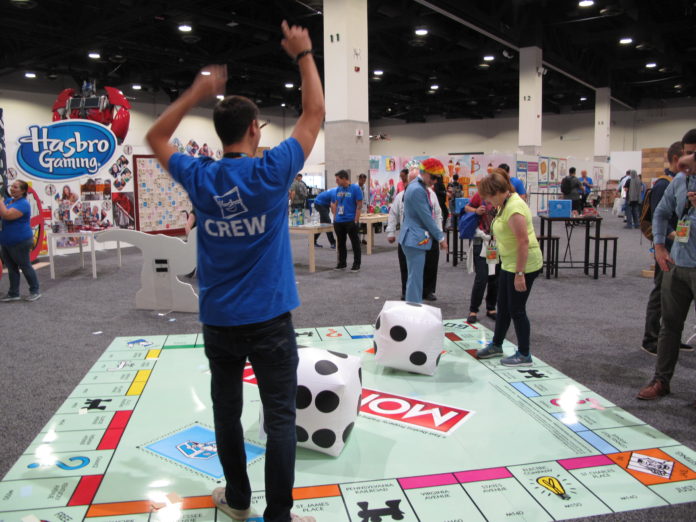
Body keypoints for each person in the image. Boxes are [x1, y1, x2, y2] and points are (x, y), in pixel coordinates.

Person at [145, 20, 323, 522]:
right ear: (253, 130)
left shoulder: (199, 175)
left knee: (226, 412)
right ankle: (278, 516)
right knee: (281, 418)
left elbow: (155, 134)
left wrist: (198, 92)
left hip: (219, 320)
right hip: (269, 319)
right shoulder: (273, 171)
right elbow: (315, 113)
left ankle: (239, 499)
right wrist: (304, 53)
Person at [637, 129, 696, 404]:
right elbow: (660, 213)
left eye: (693, 152)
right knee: (669, 326)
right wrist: (659, 246)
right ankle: (661, 380)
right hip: (677, 265)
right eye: (686, 151)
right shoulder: (680, 181)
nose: (687, 158)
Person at [475, 170, 543, 366]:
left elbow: (523, 242)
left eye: (488, 196)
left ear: (497, 192)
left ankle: (524, 353)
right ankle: (497, 344)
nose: (487, 201)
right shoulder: (504, 203)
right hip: (509, 262)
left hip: (524, 264)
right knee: (503, 306)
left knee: (517, 309)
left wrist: (520, 274)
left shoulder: (514, 208)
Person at [640, 141, 693, 355]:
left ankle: (672, 338)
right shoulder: (664, 184)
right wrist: (673, 239)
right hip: (668, 249)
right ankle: (651, 338)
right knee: (661, 294)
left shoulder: (685, 181)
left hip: (682, 251)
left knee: (677, 301)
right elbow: (659, 217)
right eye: (688, 155)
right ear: (676, 159)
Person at [400, 158, 448, 303]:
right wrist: (441, 238)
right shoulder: (417, 190)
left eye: (437, 178)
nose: (435, 181)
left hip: (414, 238)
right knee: (415, 280)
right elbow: (427, 218)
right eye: (433, 177)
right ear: (424, 173)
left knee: (414, 279)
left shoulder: (416, 186)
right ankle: (413, 313)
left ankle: (412, 310)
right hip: (414, 239)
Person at [0, 180, 41, 302]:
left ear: (23, 191)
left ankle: (35, 291)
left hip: (20, 241)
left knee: (25, 266)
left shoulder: (23, 204)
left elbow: (6, 215)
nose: (12, 188)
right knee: (12, 268)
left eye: (16, 187)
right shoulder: (8, 201)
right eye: (12, 186)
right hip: (6, 241)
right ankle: (14, 293)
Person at [465, 188, 500, 324]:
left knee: (494, 276)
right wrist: (476, 211)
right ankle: (473, 310)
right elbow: (466, 208)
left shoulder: (502, 196)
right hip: (481, 240)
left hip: (494, 243)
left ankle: (491, 308)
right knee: (482, 276)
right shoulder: (480, 195)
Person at [387, 169, 416, 299]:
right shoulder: (400, 197)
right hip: (404, 237)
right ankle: (406, 291)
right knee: (404, 266)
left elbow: (434, 216)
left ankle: (421, 291)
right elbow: (393, 215)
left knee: (419, 266)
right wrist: (391, 232)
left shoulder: (426, 196)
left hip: (421, 237)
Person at [331, 170, 362, 272]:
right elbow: (335, 203)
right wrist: (335, 218)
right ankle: (342, 263)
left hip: (350, 221)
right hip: (339, 221)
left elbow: (359, 205)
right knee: (341, 243)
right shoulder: (338, 189)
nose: (336, 181)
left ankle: (356, 264)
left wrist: (356, 220)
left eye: (338, 179)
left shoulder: (355, 189)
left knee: (355, 243)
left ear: (344, 178)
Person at [358, 173, 368, 244]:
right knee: (359, 224)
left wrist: (367, 204)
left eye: (364, 181)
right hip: (358, 207)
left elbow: (366, 196)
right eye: (362, 180)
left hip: (364, 206)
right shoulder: (355, 187)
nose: (363, 182)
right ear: (359, 179)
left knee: (365, 223)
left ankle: (364, 239)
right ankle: (358, 239)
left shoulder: (365, 186)